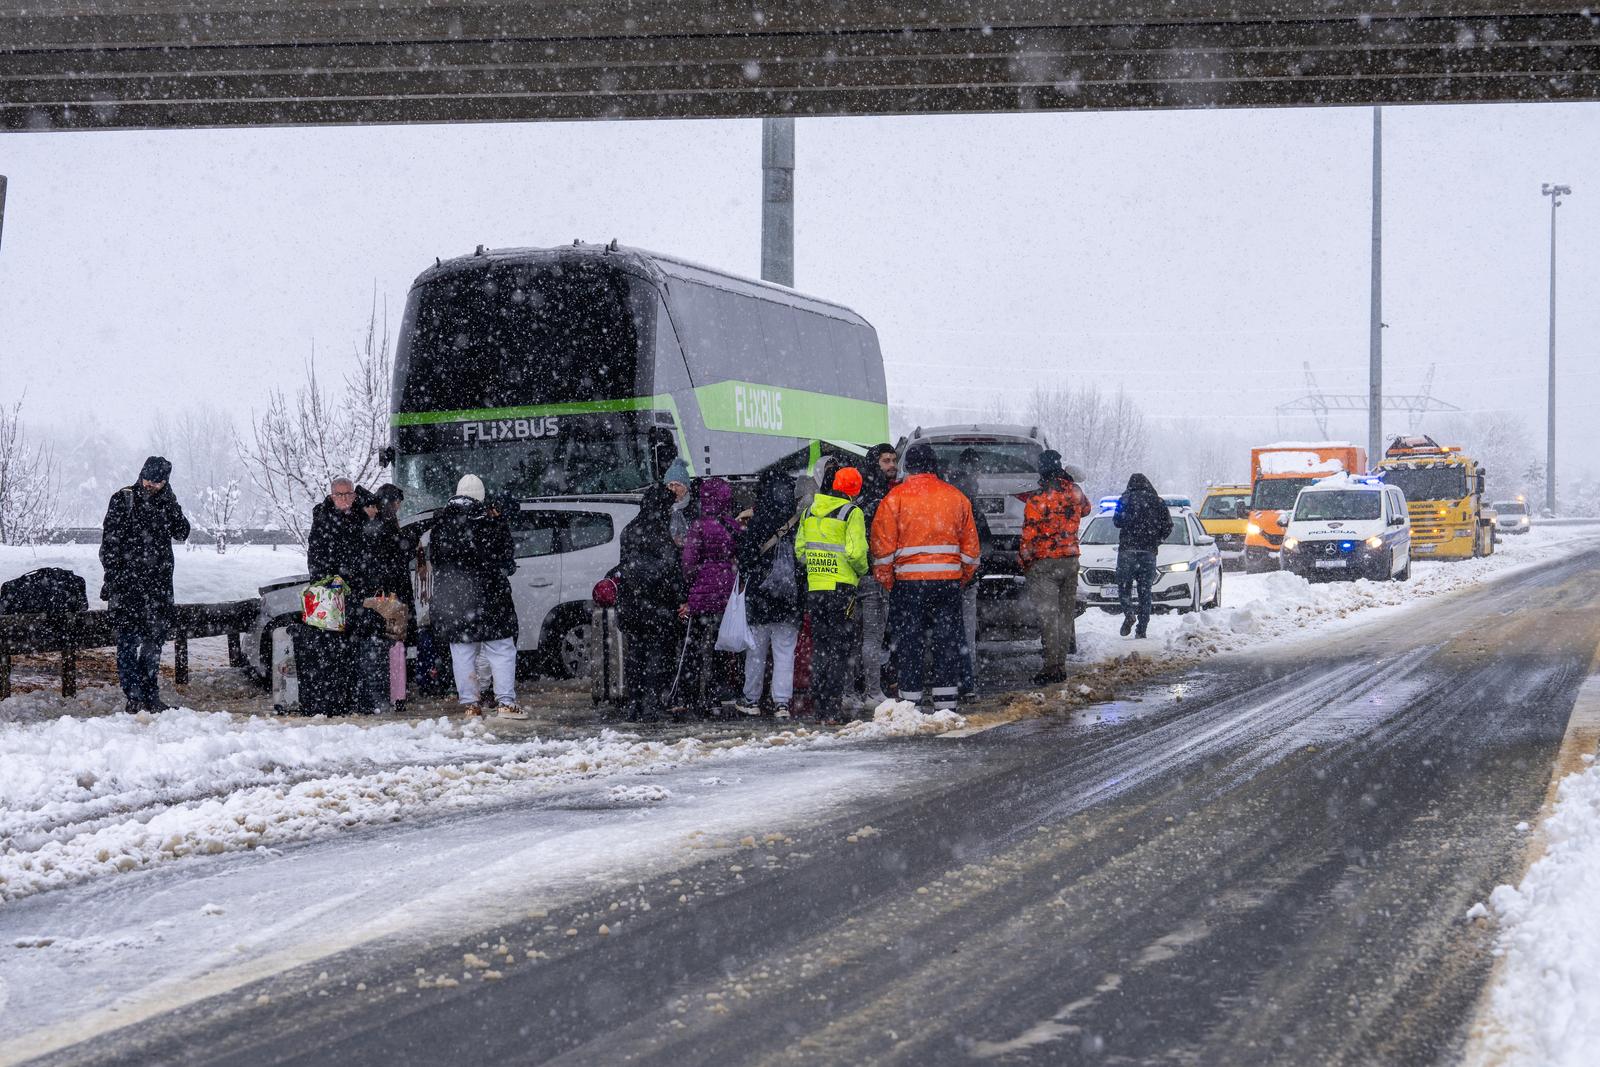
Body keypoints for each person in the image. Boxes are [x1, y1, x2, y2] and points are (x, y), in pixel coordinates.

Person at [869, 445, 979, 713]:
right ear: (934, 465)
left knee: (909, 644)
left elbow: (881, 550)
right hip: (947, 584)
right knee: (947, 642)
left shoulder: (894, 499)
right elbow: (971, 552)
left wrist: (890, 581)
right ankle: (946, 702)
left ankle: (911, 701)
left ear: (910, 466)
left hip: (908, 585)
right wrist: (959, 578)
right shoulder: (957, 498)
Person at [429, 474, 525, 719]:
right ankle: (505, 702)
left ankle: (471, 704)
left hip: (455, 598)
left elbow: (437, 561)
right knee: (501, 647)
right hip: (490, 597)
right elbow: (505, 557)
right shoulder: (487, 521)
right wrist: (499, 522)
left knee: (462, 650)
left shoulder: (441, 523)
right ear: (481, 496)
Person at [99, 455, 190, 712]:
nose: (150, 485)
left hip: (158, 588)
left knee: (153, 643)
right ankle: (134, 696)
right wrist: (114, 577)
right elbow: (110, 545)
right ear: (141, 475)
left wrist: (170, 503)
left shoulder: (166, 503)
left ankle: (150, 694)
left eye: (157, 482)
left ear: (165, 482)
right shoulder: (124, 500)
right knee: (128, 643)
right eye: (147, 479)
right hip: (128, 587)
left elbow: (182, 532)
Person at [796, 465, 869, 723]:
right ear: (855, 490)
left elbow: (800, 552)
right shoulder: (852, 513)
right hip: (842, 589)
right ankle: (832, 708)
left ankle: (818, 706)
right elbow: (857, 553)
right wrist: (861, 571)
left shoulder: (808, 512)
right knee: (839, 650)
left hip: (815, 588)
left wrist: (818, 568)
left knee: (821, 647)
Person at [1019, 450, 1093, 684]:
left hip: (1045, 563)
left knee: (1049, 617)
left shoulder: (1037, 499)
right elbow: (1087, 509)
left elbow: (1028, 536)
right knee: (1064, 615)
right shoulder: (1075, 492)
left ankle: (1051, 666)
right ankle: (1060, 665)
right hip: (1071, 561)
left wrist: (1024, 562)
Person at [736, 469, 804, 718]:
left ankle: (751, 699)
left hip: (760, 596)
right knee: (785, 652)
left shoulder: (758, 520)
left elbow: (745, 560)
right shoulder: (797, 521)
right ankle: (782, 703)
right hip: (789, 596)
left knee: (756, 652)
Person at [616, 484, 686, 723]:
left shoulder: (630, 530)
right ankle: (650, 705)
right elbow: (670, 570)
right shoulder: (660, 532)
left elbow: (625, 566)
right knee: (657, 654)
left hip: (632, 604)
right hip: (657, 604)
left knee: (635, 655)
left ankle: (634, 705)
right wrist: (681, 598)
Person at [678, 476, 740, 716]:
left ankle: (693, 696)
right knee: (721, 647)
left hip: (702, 597)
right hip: (727, 594)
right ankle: (718, 696)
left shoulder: (698, 526)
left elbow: (688, 564)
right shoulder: (732, 525)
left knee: (694, 647)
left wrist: (697, 578)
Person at [853, 443, 899, 709]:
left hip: (855, 575)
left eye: (893, 460)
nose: (891, 465)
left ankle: (852, 690)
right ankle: (873, 691)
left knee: (857, 638)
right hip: (874, 576)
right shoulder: (879, 498)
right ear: (875, 463)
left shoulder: (858, 494)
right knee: (873, 637)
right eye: (886, 461)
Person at [948, 450, 992, 702]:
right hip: (963, 580)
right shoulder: (971, 507)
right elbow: (984, 544)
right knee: (965, 631)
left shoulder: (941, 504)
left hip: (937, 578)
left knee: (942, 632)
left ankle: (944, 678)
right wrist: (974, 573)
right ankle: (966, 682)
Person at [370, 483, 415, 712]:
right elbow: (399, 555)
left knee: (389, 643)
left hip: (383, 594)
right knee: (396, 643)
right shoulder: (387, 526)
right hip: (392, 596)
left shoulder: (375, 523)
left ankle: (391, 692)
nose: (399, 506)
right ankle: (396, 694)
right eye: (397, 501)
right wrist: (410, 542)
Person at [1113, 472, 1174, 639]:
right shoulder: (1158, 501)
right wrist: (1157, 540)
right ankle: (1142, 629)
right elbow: (1168, 525)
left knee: (1123, 587)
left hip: (1127, 551)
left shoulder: (1124, 499)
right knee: (1145, 592)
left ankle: (1129, 614)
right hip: (1148, 553)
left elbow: (1117, 522)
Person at [663, 457, 692, 547]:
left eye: (678, 485)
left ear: (686, 488)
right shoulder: (662, 508)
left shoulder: (694, 506)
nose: (674, 489)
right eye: (670, 485)